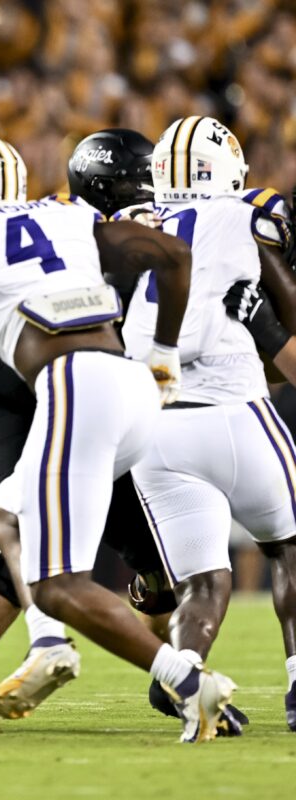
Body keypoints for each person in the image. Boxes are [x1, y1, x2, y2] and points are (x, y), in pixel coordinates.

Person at [0, 132, 236, 743]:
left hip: (72, 387)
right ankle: (59, 648)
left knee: (57, 584)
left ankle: (187, 684)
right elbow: (174, 255)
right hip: (131, 389)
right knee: (12, 511)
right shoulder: (64, 213)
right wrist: (165, 357)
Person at [120, 116, 296, 733]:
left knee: (203, 580)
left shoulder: (128, 223)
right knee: (290, 549)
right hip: (235, 412)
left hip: (155, 427)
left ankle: (187, 675)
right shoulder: (248, 208)